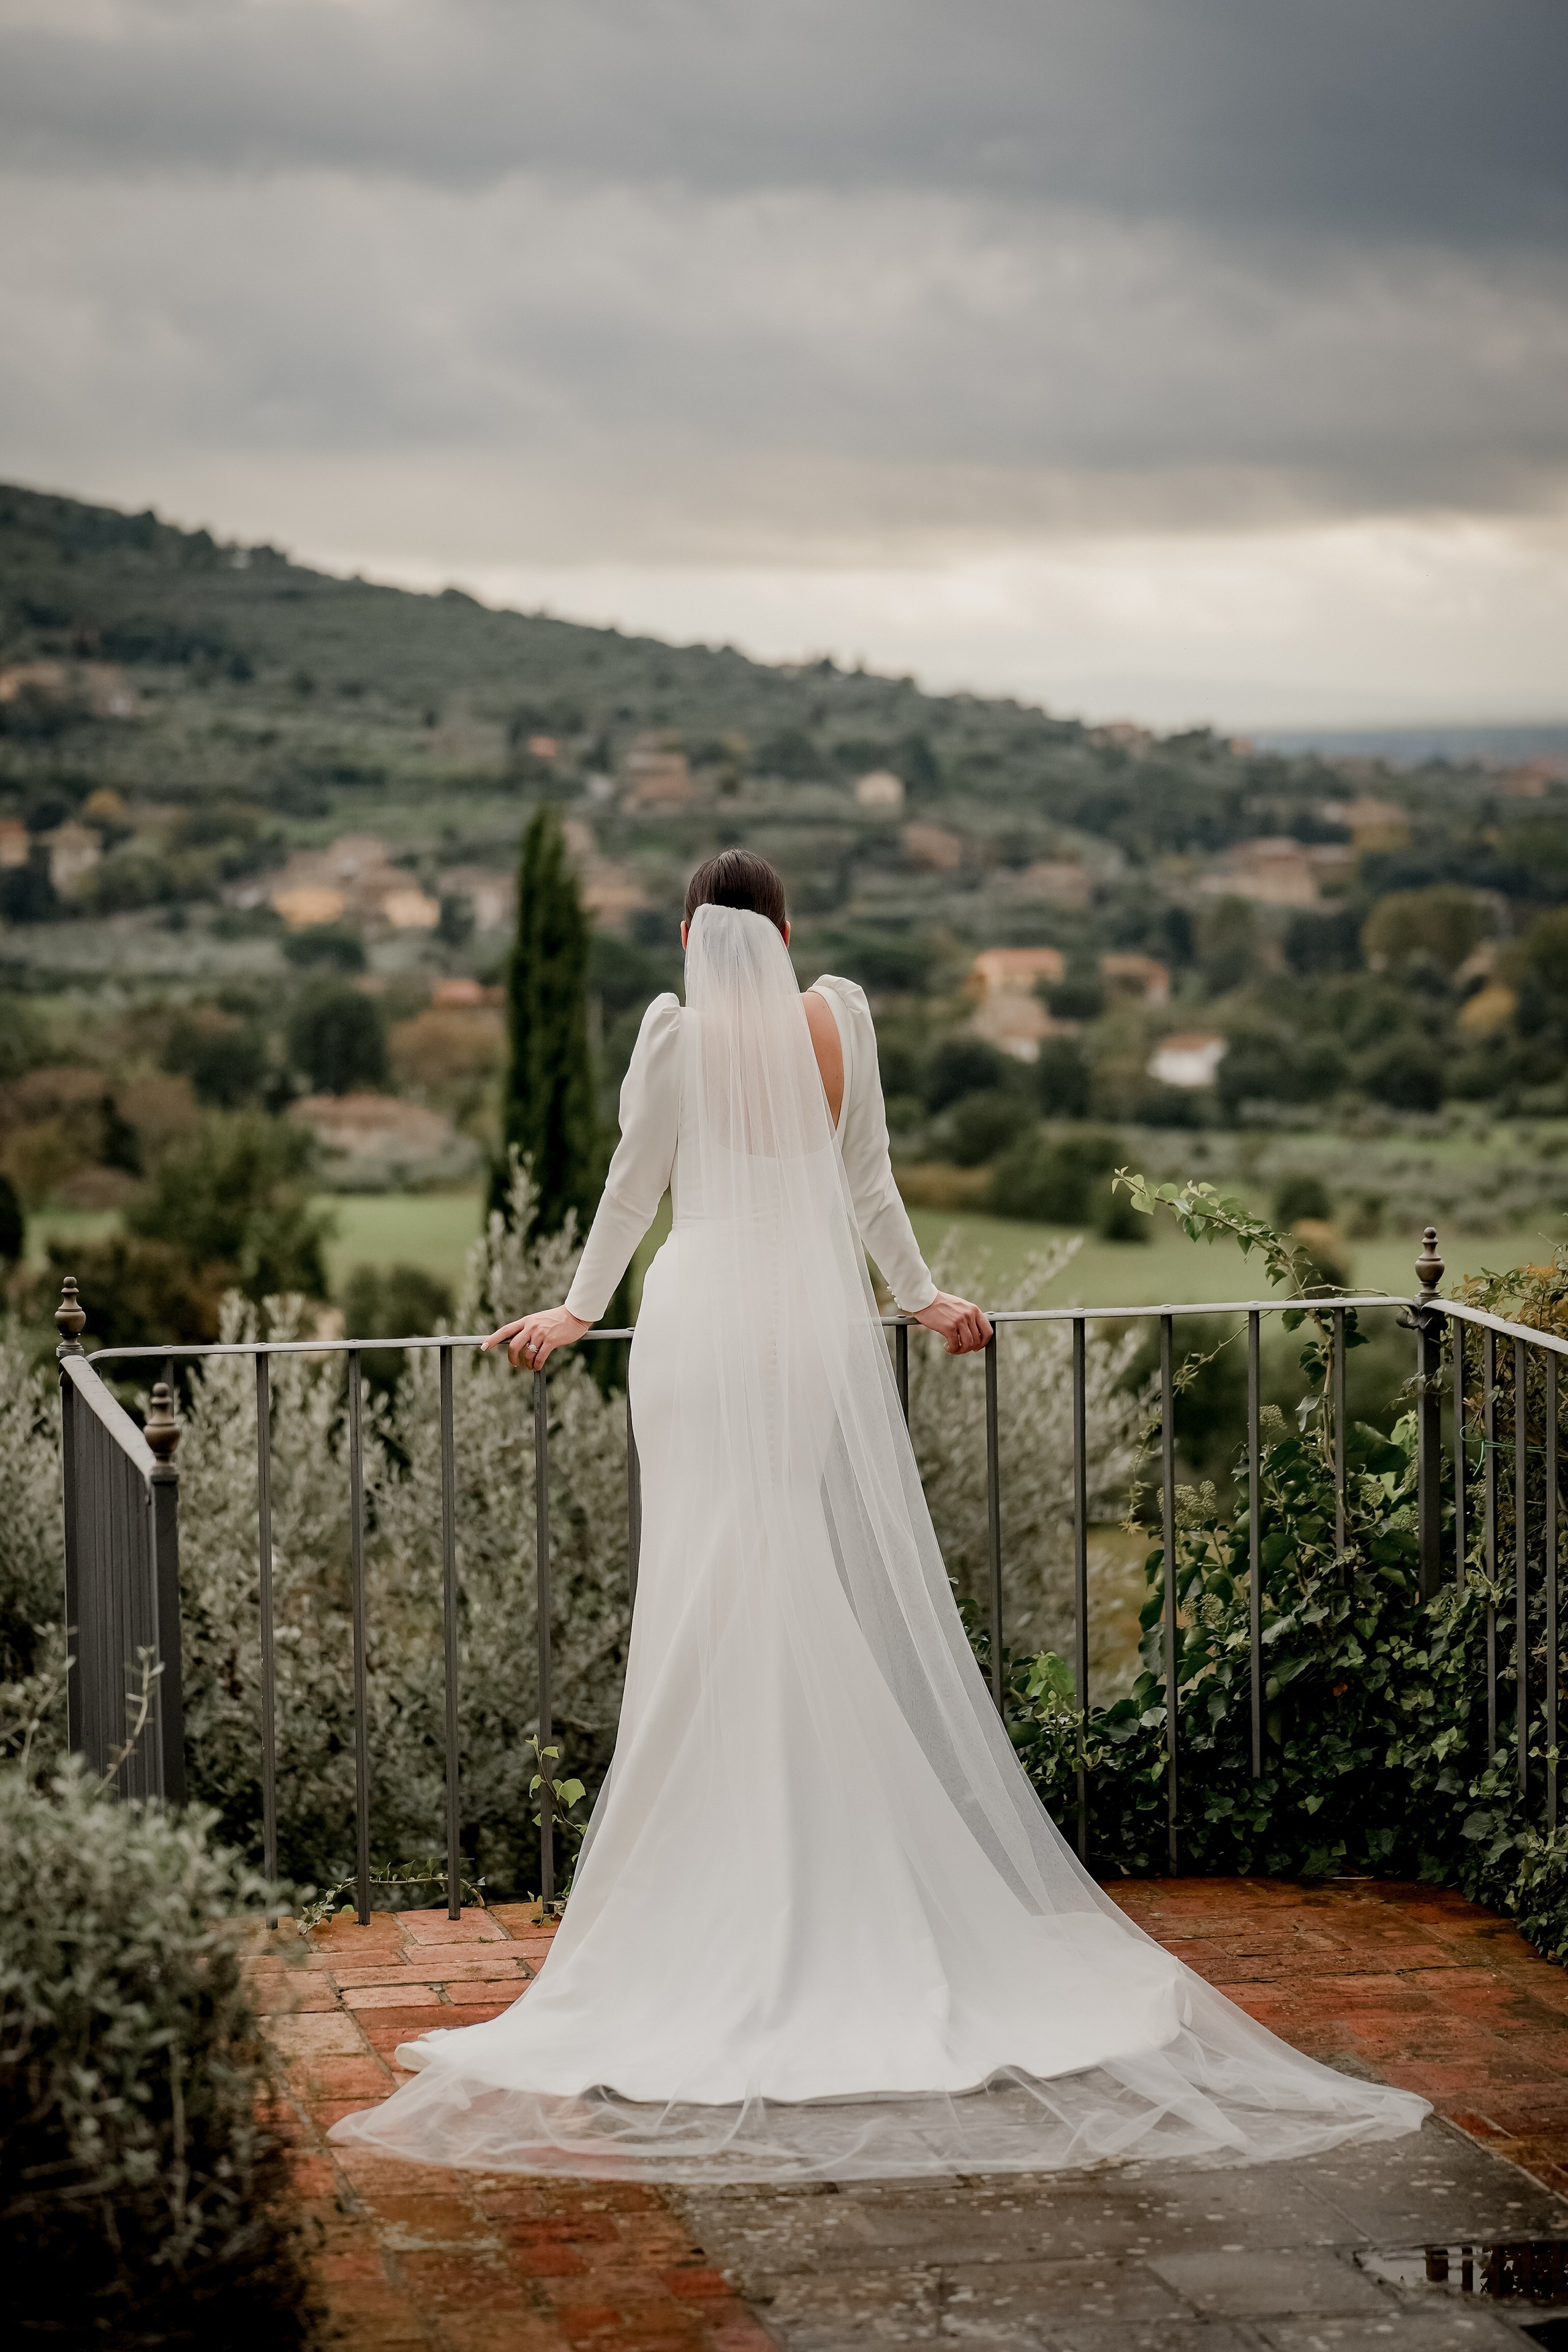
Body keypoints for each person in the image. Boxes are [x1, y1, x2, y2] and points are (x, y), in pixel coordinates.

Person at [331, 851, 1426, 2182]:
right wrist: (916, 1298)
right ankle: (822, 1871)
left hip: (694, 1324)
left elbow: (632, 1187)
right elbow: (869, 1187)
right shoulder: (839, 1021)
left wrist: (574, 1305)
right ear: (787, 933)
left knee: (709, 1585)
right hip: (805, 1328)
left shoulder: (668, 1036)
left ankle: (723, 1888)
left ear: (690, 933)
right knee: (783, 1566)